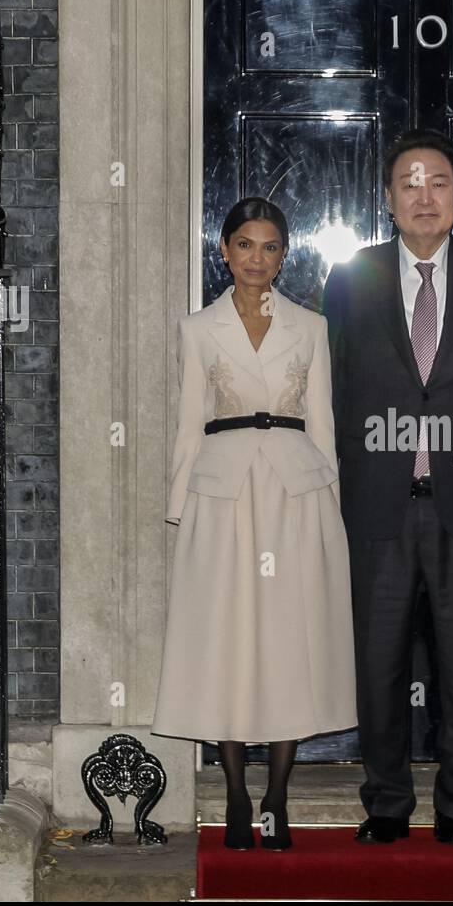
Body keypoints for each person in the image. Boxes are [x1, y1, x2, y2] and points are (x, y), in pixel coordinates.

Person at [322, 128, 453, 845]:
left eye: (438, 182)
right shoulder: (351, 280)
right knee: (377, 665)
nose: (424, 196)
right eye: (409, 183)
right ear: (387, 199)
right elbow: (335, 391)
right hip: (377, 505)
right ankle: (384, 804)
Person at [154, 197, 356, 851]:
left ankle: (277, 798)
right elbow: (189, 427)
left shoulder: (311, 327)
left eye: (270, 247)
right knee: (229, 643)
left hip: (296, 496)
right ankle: (237, 795)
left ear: (283, 256)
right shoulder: (197, 328)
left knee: (288, 643)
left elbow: (323, 425)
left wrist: (333, 511)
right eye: (245, 245)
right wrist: (180, 509)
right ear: (224, 250)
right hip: (223, 497)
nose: (256, 258)